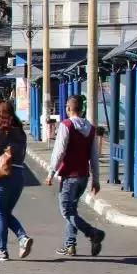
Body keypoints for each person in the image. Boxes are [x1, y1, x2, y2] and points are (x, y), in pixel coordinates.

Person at [46, 94, 105, 257]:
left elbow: (59, 151)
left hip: (69, 176)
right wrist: (96, 179)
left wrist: (51, 172)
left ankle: (93, 233)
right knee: (72, 210)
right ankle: (70, 245)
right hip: (83, 177)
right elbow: (94, 156)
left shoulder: (66, 125)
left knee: (66, 211)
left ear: (68, 108)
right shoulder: (91, 129)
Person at [0, 99, 33, 262]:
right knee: (4, 213)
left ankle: (2, 250)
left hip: (3, 175)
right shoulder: (20, 132)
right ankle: (22, 238)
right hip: (19, 175)